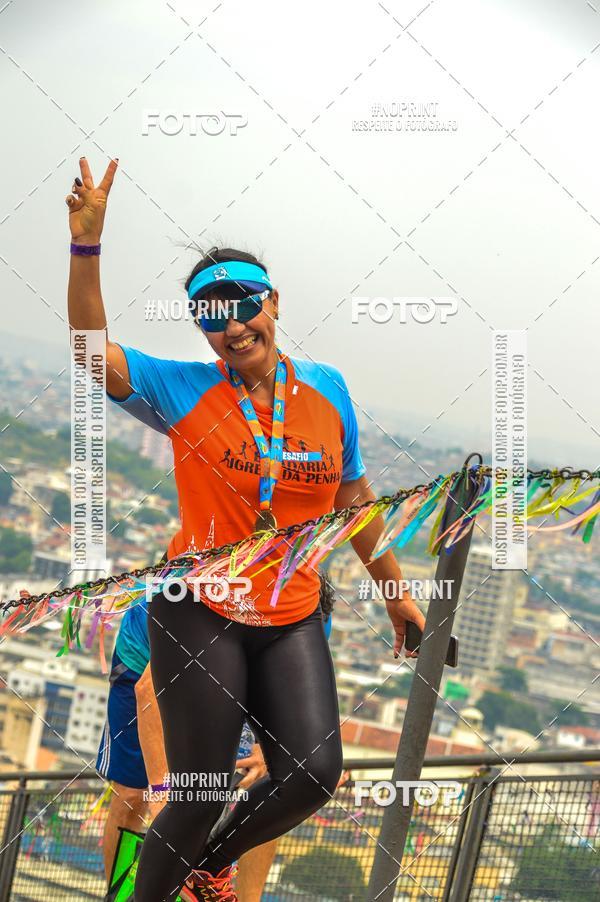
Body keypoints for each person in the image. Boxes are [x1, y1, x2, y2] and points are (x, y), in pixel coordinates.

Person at [66, 157, 426, 902]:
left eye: (245, 305)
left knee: (314, 773)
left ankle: (211, 862)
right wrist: (87, 248)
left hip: (289, 608)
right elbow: (87, 354)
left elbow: (353, 499)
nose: (231, 325)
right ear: (198, 324)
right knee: (193, 791)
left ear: (273, 303)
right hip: (198, 602)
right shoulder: (183, 388)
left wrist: (395, 593)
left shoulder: (327, 392)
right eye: (210, 312)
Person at [97, 574, 333, 900]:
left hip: (235, 664)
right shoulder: (219, 612)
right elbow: (148, 692)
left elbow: (290, 702)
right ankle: (121, 894)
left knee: (259, 786)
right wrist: (164, 794)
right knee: (133, 794)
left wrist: (268, 750)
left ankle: (233, 892)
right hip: (147, 659)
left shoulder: (309, 621)